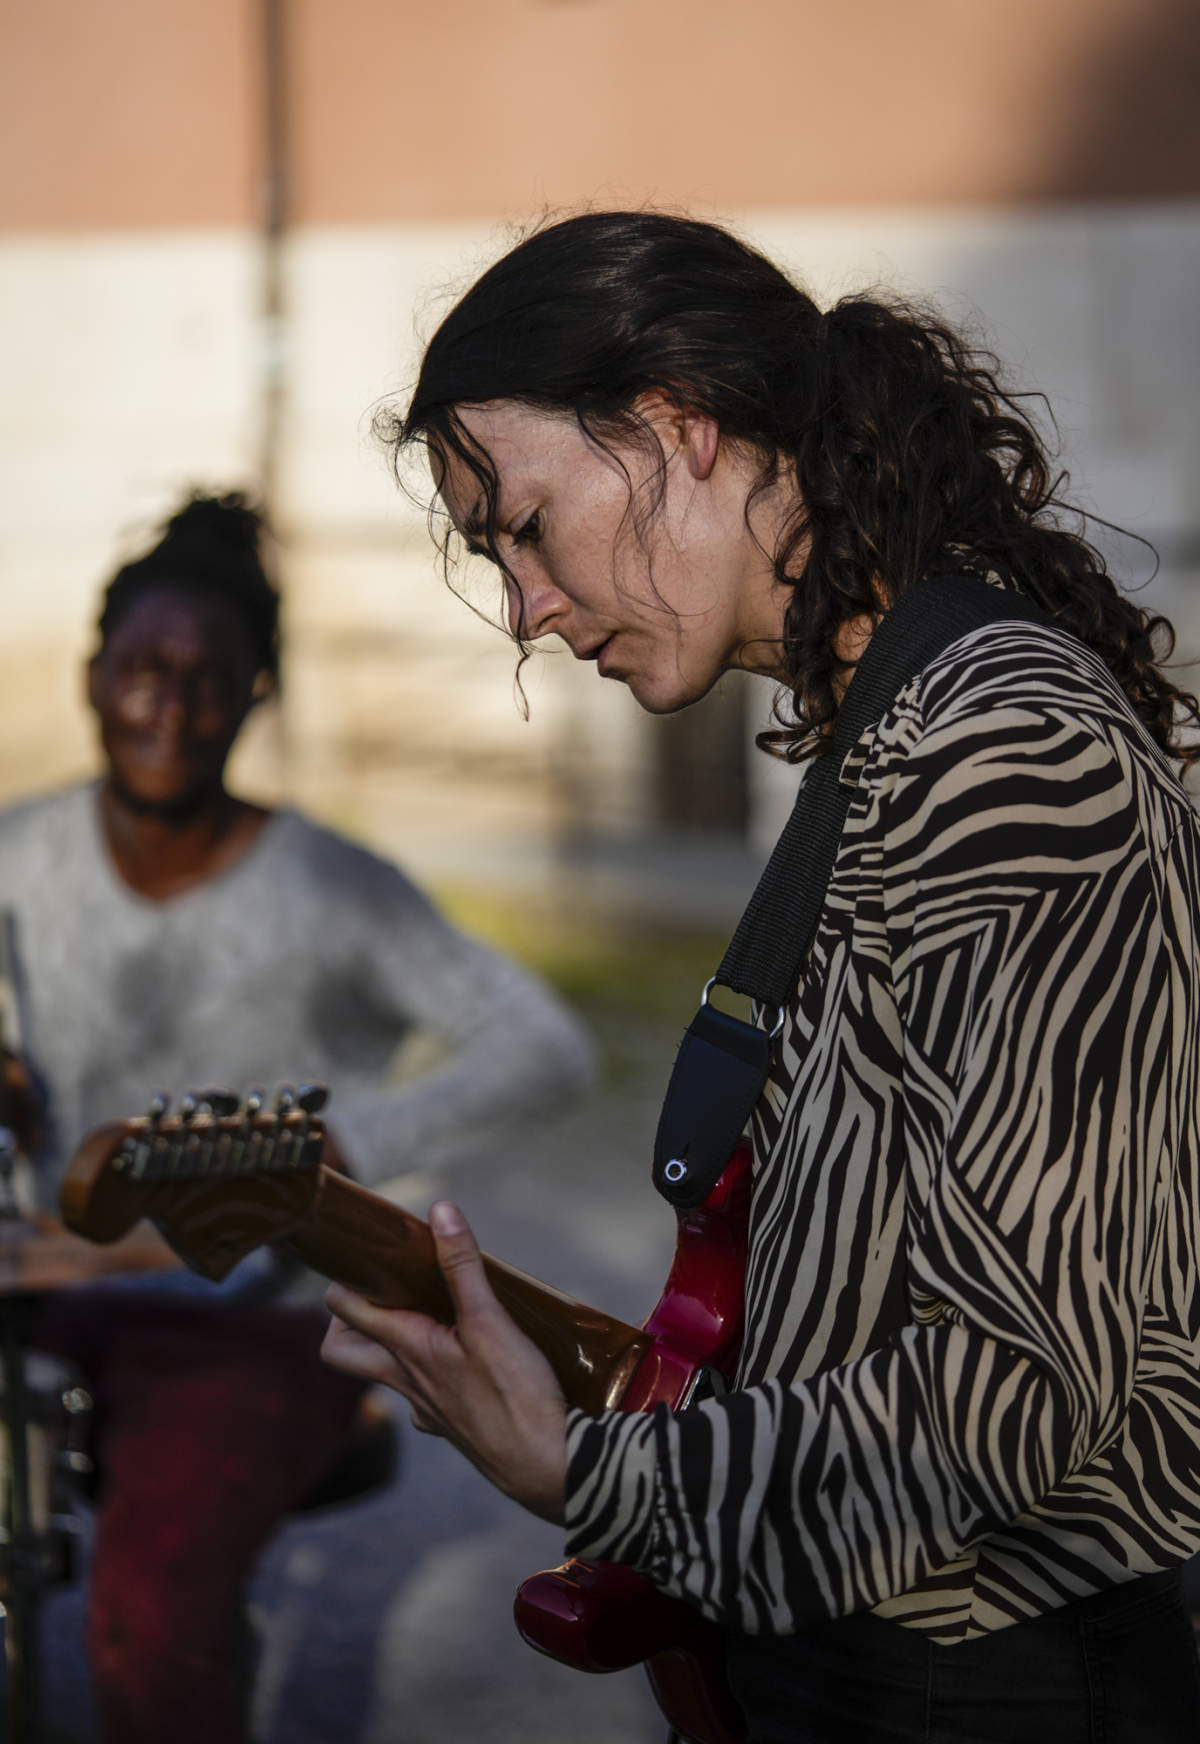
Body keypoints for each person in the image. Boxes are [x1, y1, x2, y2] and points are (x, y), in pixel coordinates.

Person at [321, 211, 1200, 1743]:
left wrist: (592, 1477)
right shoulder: (894, 725)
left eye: (525, 523)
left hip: (990, 1671)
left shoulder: (1004, 751)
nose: (524, 605)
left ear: (678, 424)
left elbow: (1023, 1384)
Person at [1, 492, 593, 1744]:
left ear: (257, 693)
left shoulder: (333, 886)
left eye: (209, 678)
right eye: (141, 670)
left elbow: (544, 1039)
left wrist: (352, 1145)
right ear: (89, 675)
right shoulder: (18, 855)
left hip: (259, 1326)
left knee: (148, 1612)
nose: (169, 703)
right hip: (46, 1288)